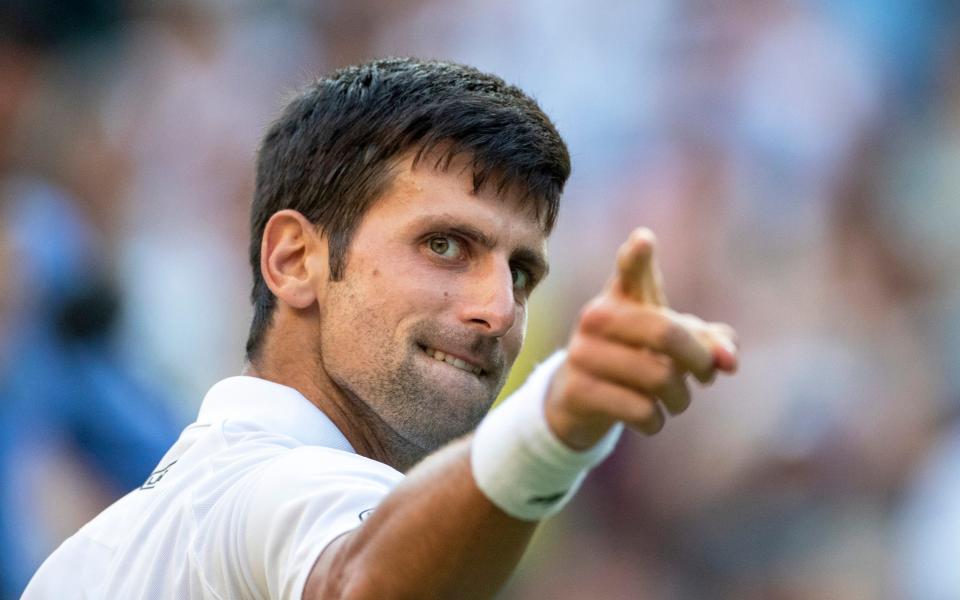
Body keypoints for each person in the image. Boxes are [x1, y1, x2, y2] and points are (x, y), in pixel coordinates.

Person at [23, 58, 738, 599]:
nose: (498, 309)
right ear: (294, 260)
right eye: (444, 245)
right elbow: (359, 578)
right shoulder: (259, 490)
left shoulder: (98, 554)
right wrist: (550, 430)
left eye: (521, 271)